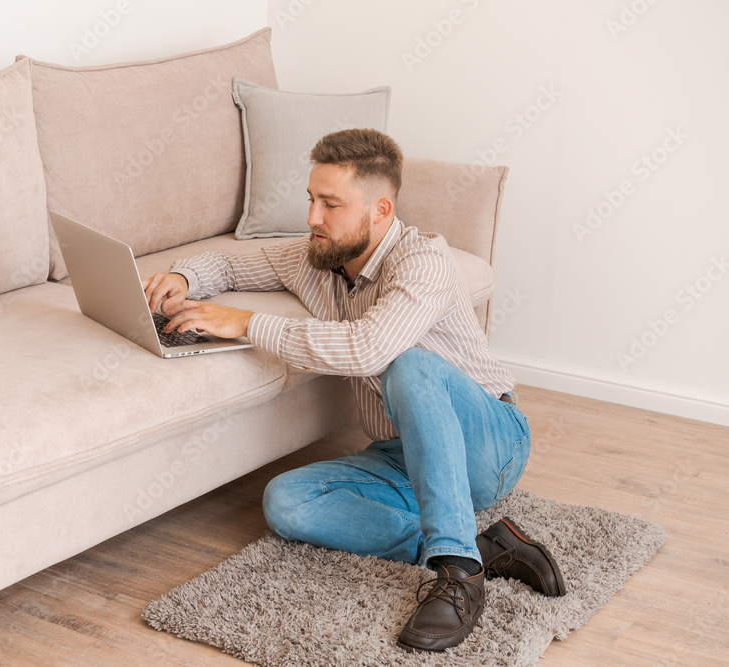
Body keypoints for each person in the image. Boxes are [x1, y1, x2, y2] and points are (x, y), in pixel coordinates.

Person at [142, 128, 565, 653]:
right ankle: (481, 546)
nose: (312, 218)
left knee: (408, 365)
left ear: (380, 210)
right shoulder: (318, 259)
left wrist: (246, 322)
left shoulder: (423, 263)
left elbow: (370, 350)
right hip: (399, 456)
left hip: (490, 445)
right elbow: (231, 262)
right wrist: (183, 276)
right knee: (287, 502)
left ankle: (458, 574)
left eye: (330, 204)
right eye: (311, 200)